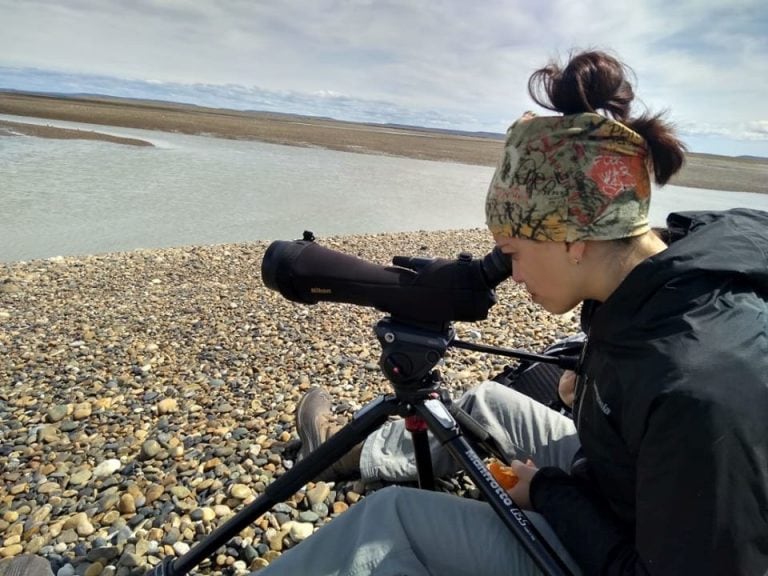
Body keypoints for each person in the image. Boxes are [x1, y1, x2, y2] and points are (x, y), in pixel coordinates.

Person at [255, 50, 768, 575]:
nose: (514, 275)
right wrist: (593, 389)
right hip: (628, 481)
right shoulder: (663, 271)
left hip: (634, 544)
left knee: (388, 522)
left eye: (515, 253)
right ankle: (350, 454)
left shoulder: (699, 392)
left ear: (574, 239)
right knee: (487, 403)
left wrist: (549, 493)